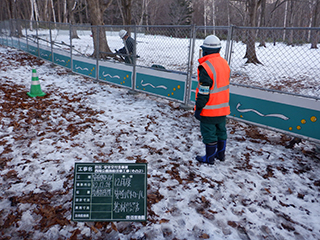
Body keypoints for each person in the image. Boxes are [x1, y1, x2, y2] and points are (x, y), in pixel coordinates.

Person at [194, 35, 230, 165]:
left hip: (209, 109)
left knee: (209, 134)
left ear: (206, 50)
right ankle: (221, 155)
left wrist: (198, 108)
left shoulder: (206, 67)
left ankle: (209, 158)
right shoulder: (224, 63)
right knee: (221, 131)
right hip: (223, 107)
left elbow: (204, 91)